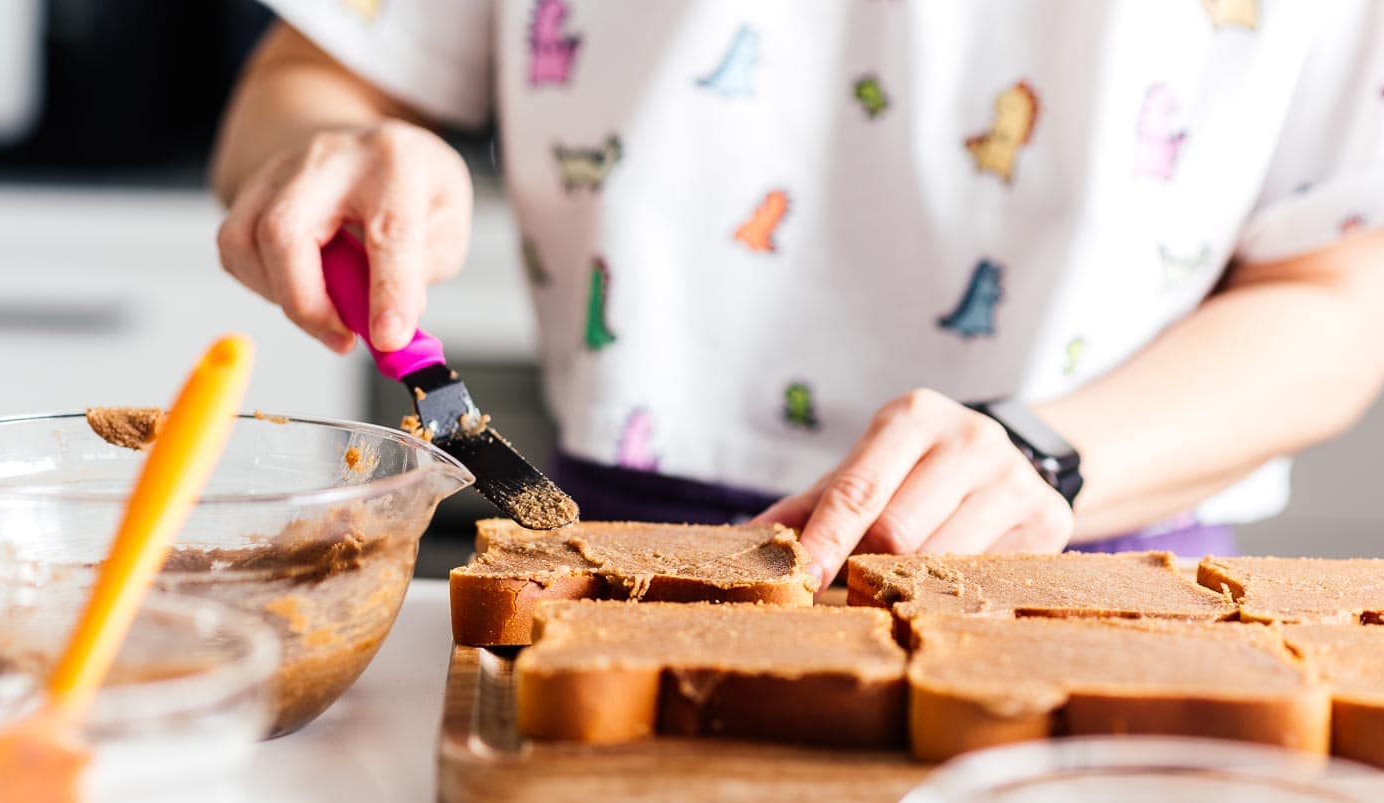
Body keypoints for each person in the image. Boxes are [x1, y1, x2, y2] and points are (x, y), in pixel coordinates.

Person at [211, 1, 1384, 588]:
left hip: (1100, 566)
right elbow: (320, 61)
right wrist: (333, 143)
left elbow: (1346, 287)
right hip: (610, 541)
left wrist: (1050, 456)